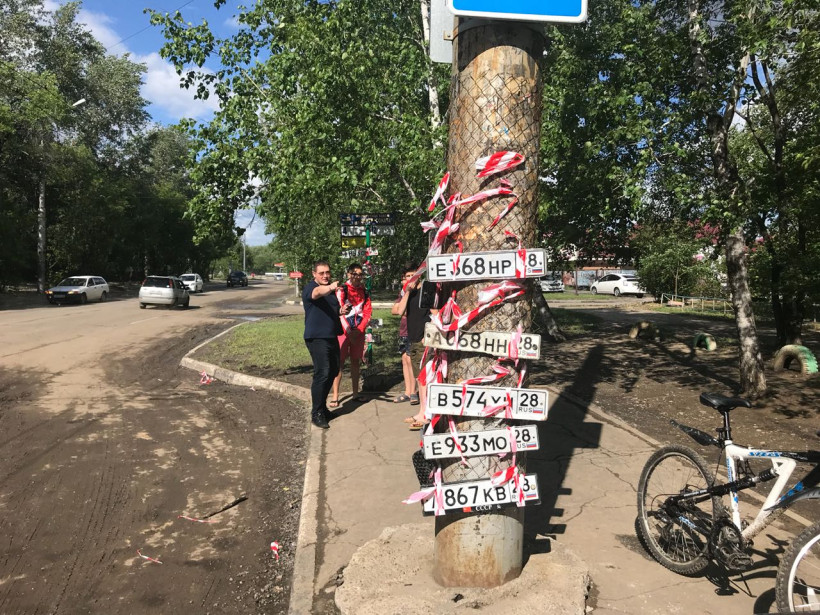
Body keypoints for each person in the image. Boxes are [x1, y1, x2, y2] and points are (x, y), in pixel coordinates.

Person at [302, 260, 350, 429]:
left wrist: (341, 311)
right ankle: (316, 414)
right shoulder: (311, 287)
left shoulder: (329, 292)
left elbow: (331, 310)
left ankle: (322, 408)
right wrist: (331, 287)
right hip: (316, 337)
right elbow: (316, 293)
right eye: (321, 273)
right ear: (314, 274)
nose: (325, 275)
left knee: (333, 370)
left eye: (327, 272)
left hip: (330, 336)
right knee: (322, 373)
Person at [391, 265, 433, 430]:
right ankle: (422, 411)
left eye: (413, 275)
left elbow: (436, 313)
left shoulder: (426, 290)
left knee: (425, 378)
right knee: (419, 378)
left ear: (419, 275)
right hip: (413, 339)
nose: (410, 279)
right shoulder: (408, 293)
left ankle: (426, 414)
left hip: (424, 340)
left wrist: (429, 335)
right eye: (407, 276)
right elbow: (400, 311)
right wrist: (407, 292)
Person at [330, 263, 372, 407]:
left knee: (355, 362)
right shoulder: (342, 290)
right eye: (354, 274)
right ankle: (335, 396)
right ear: (348, 274)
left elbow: (367, 313)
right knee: (339, 363)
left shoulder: (364, 292)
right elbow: (340, 312)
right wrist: (349, 332)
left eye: (360, 274)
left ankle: (355, 394)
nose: (357, 277)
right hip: (343, 332)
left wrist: (359, 330)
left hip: (358, 332)